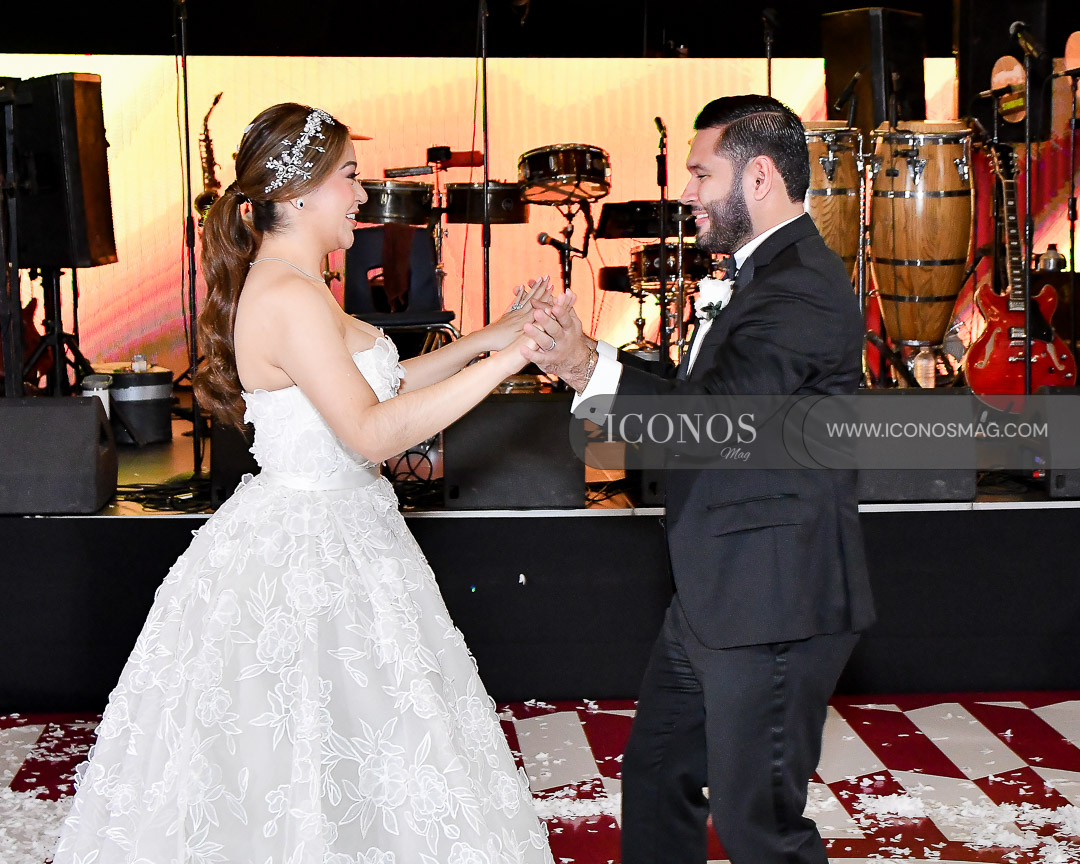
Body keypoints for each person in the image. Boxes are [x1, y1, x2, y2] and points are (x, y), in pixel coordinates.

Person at [54, 102, 556, 864]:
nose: (363, 194)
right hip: (310, 549)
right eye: (350, 177)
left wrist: (491, 338)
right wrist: (512, 363)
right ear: (296, 195)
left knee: (352, 740)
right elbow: (373, 432)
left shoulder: (296, 284)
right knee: (314, 742)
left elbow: (380, 382)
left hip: (342, 532)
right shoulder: (288, 297)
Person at [522, 95, 876, 864]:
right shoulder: (763, 274)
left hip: (774, 601)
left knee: (759, 829)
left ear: (758, 177)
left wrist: (585, 366)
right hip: (718, 590)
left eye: (700, 173)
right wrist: (591, 364)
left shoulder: (801, 287)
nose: (686, 192)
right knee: (657, 778)